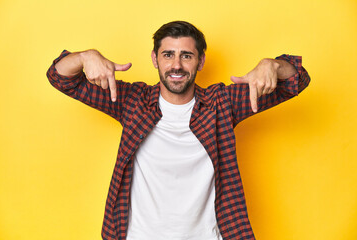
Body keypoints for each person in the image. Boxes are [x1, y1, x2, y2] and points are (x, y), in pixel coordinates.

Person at [47, 21, 310, 240]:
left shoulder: (222, 104)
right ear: (155, 59)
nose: (176, 65)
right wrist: (85, 56)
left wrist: (273, 65)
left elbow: (296, 81)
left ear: (201, 61)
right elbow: (60, 78)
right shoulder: (132, 101)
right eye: (168, 54)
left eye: (186, 55)